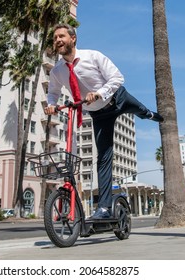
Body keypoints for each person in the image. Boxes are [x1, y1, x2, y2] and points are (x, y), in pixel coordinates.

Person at [44, 23, 163, 219]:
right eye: (55, 38)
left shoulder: (93, 56)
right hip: (98, 114)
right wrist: (51, 104)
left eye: (61, 36)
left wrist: (99, 93)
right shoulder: (57, 71)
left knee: (139, 109)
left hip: (117, 99)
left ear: (73, 39)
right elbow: (53, 92)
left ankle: (149, 115)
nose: (57, 40)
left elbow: (117, 78)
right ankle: (105, 208)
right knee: (104, 157)